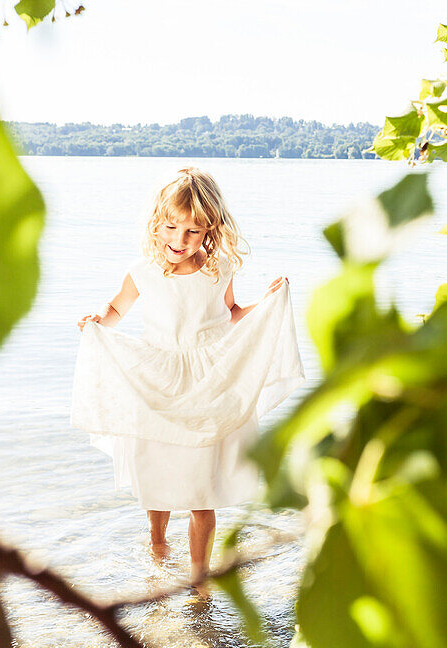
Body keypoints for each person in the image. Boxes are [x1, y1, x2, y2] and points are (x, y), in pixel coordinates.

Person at [70, 167, 305, 582]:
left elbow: (232, 314)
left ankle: (199, 580)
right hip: (157, 379)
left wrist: (265, 304)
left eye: (193, 232)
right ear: (156, 222)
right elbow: (117, 310)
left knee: (202, 487)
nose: (180, 240)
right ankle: (157, 541)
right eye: (171, 227)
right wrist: (96, 322)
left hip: (208, 384)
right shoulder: (142, 271)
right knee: (155, 469)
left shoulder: (219, 270)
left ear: (210, 230)